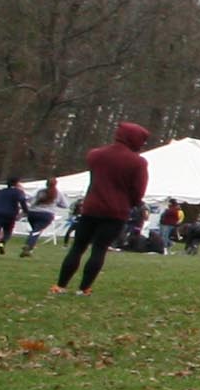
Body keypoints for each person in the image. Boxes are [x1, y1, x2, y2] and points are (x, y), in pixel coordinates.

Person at [52, 123, 152, 296]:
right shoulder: (138, 162)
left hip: (91, 207)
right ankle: (84, 288)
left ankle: (61, 285)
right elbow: (138, 190)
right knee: (99, 249)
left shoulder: (95, 155)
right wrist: (134, 203)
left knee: (77, 247)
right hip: (116, 211)